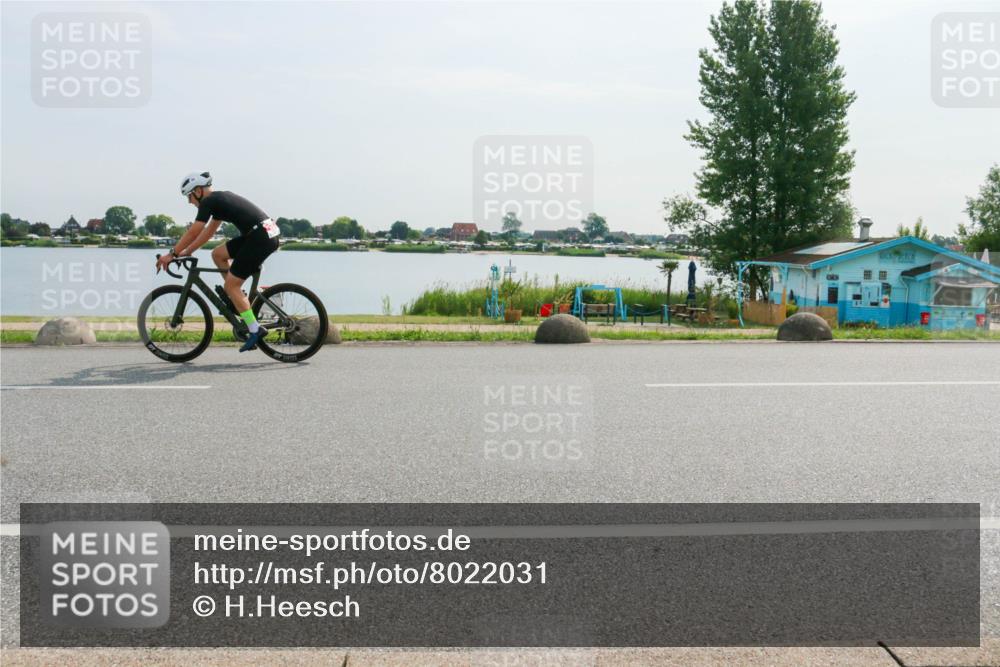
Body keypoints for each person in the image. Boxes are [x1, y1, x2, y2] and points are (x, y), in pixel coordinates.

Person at [156, 172, 280, 352]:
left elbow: (194, 231)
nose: (189, 202)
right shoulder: (218, 200)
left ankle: (254, 329)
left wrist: (172, 254)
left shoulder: (208, 202)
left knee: (231, 286)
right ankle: (238, 297)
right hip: (262, 233)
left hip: (260, 237)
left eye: (189, 197)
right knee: (218, 254)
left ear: (198, 191)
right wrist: (187, 252)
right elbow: (207, 232)